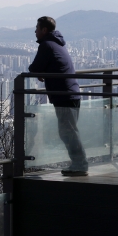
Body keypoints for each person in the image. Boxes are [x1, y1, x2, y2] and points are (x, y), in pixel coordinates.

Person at [28, 16, 88, 177]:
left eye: (37, 28)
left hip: (63, 94)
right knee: (69, 131)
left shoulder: (47, 45)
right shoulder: (58, 44)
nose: (35, 31)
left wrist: (40, 72)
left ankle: (80, 164)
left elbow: (34, 67)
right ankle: (78, 163)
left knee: (68, 132)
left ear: (44, 30)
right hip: (71, 92)